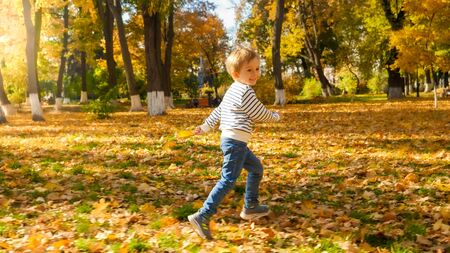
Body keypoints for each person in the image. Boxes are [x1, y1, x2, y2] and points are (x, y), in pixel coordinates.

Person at [188, 46, 281, 240]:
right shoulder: (245, 91)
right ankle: (202, 215)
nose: (255, 74)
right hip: (235, 143)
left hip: (235, 142)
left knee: (256, 169)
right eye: (249, 70)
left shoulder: (232, 90)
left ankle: (250, 206)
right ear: (236, 73)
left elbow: (218, 111)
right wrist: (275, 116)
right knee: (228, 180)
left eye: (257, 69)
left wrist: (205, 127)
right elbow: (258, 113)